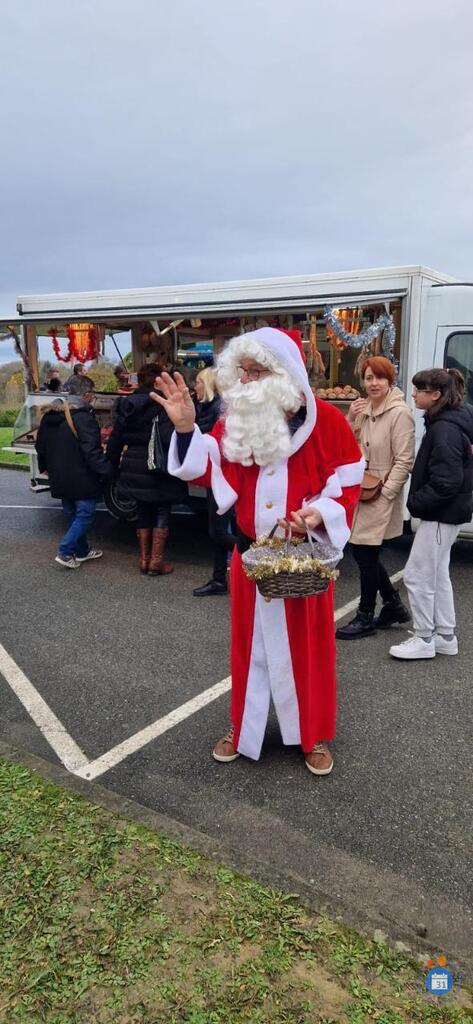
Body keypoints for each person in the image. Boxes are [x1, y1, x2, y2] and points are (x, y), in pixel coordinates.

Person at [151, 328, 364, 776]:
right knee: (249, 648)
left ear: (284, 373)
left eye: (257, 370)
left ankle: (312, 734)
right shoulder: (235, 421)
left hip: (304, 560)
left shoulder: (327, 420)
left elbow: (346, 481)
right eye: (242, 370)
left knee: (310, 648)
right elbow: (208, 468)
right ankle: (243, 727)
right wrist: (187, 428)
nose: (246, 380)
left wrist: (316, 514)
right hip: (249, 559)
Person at [389, 367, 473, 660]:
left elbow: (447, 481)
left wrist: (418, 503)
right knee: (436, 574)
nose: (413, 394)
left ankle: (424, 637)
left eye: (418, 390)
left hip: (441, 513)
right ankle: (445, 635)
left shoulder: (444, 428)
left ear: (435, 395)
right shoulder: (452, 420)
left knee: (417, 575)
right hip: (449, 513)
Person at [336, 356, 415, 639]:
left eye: (379, 378)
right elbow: (346, 446)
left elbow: (405, 460)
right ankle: (393, 604)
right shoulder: (364, 408)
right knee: (361, 551)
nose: (373, 383)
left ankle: (365, 616)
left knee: (366, 552)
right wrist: (350, 419)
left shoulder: (400, 413)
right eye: (368, 378)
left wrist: (388, 493)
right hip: (361, 488)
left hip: (380, 490)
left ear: (389, 380)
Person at [106, 363, 187, 575]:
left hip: (133, 462)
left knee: (142, 509)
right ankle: (156, 561)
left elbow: (116, 437)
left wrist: (111, 466)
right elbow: (171, 437)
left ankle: (144, 560)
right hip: (160, 464)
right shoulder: (165, 404)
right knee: (161, 509)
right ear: (159, 381)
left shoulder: (127, 403)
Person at [35, 377, 112, 569]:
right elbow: (91, 451)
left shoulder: (49, 416)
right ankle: (65, 551)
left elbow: (40, 446)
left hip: (58, 474)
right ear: (86, 395)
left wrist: (44, 466)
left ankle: (82, 551)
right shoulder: (83, 417)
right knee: (85, 514)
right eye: (92, 394)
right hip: (81, 475)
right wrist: (107, 470)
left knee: (72, 513)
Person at [192, 368, 236, 596]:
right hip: (217, 477)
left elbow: (212, 443)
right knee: (218, 529)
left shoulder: (218, 409)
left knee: (218, 531)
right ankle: (219, 578)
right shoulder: (205, 406)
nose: (195, 385)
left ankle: (251, 557)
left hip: (224, 478)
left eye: (198, 381)